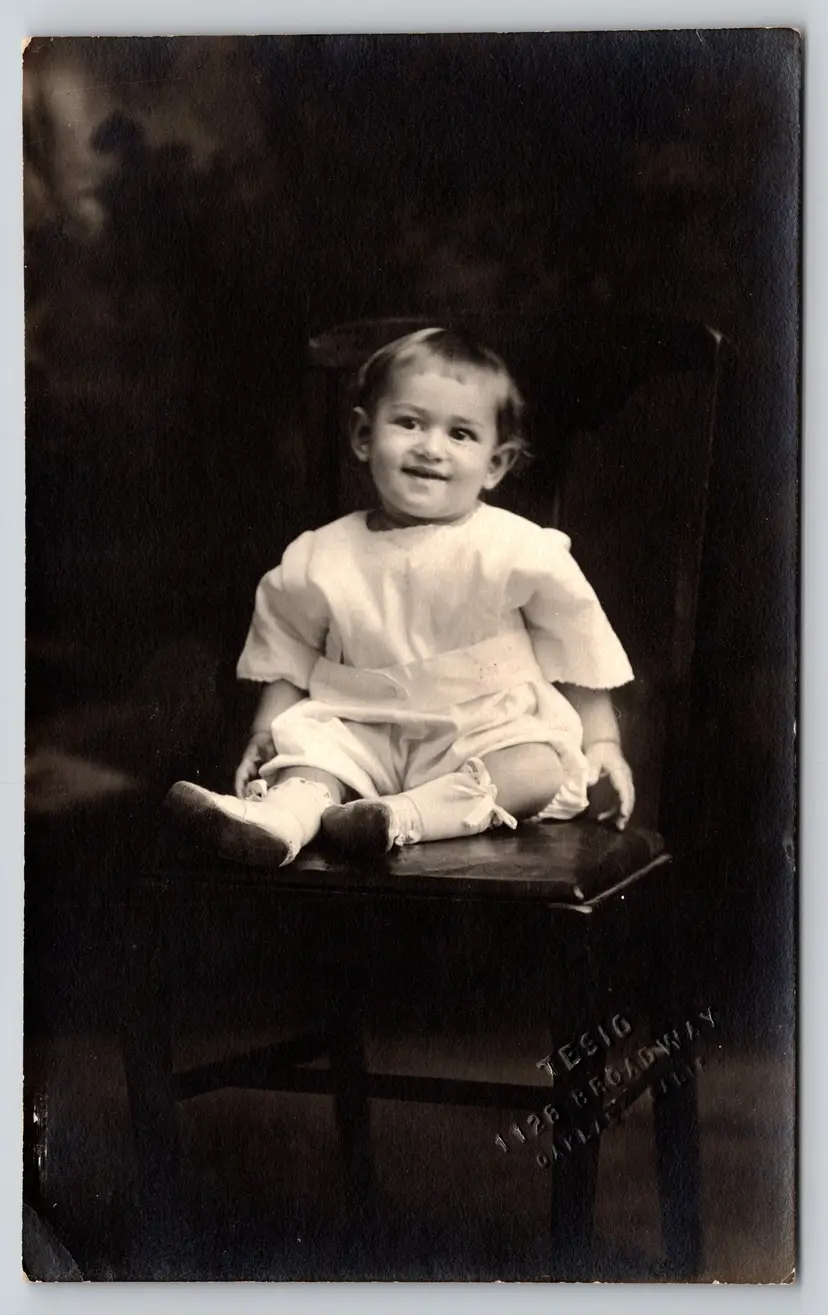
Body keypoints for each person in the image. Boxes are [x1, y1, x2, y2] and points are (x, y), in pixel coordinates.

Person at [166, 327, 635, 867]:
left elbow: (578, 646)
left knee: (539, 765)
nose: (431, 448)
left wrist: (603, 743)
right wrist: (264, 731)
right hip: (358, 724)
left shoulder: (518, 548)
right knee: (307, 756)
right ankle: (281, 820)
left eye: (460, 434)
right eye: (409, 423)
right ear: (364, 436)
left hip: (482, 728)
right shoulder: (322, 553)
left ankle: (403, 817)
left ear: (495, 464)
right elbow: (288, 651)